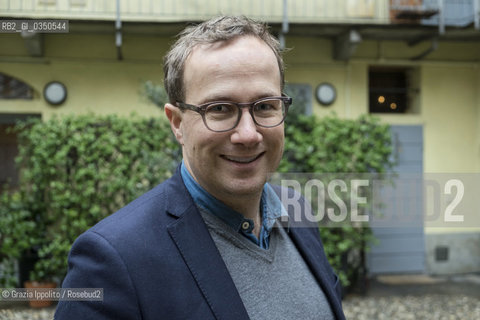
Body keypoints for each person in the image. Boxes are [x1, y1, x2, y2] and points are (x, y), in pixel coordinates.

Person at [55, 15, 345, 320]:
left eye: (264, 106)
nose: (247, 134)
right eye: (219, 109)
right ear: (177, 124)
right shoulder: (114, 261)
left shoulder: (296, 208)